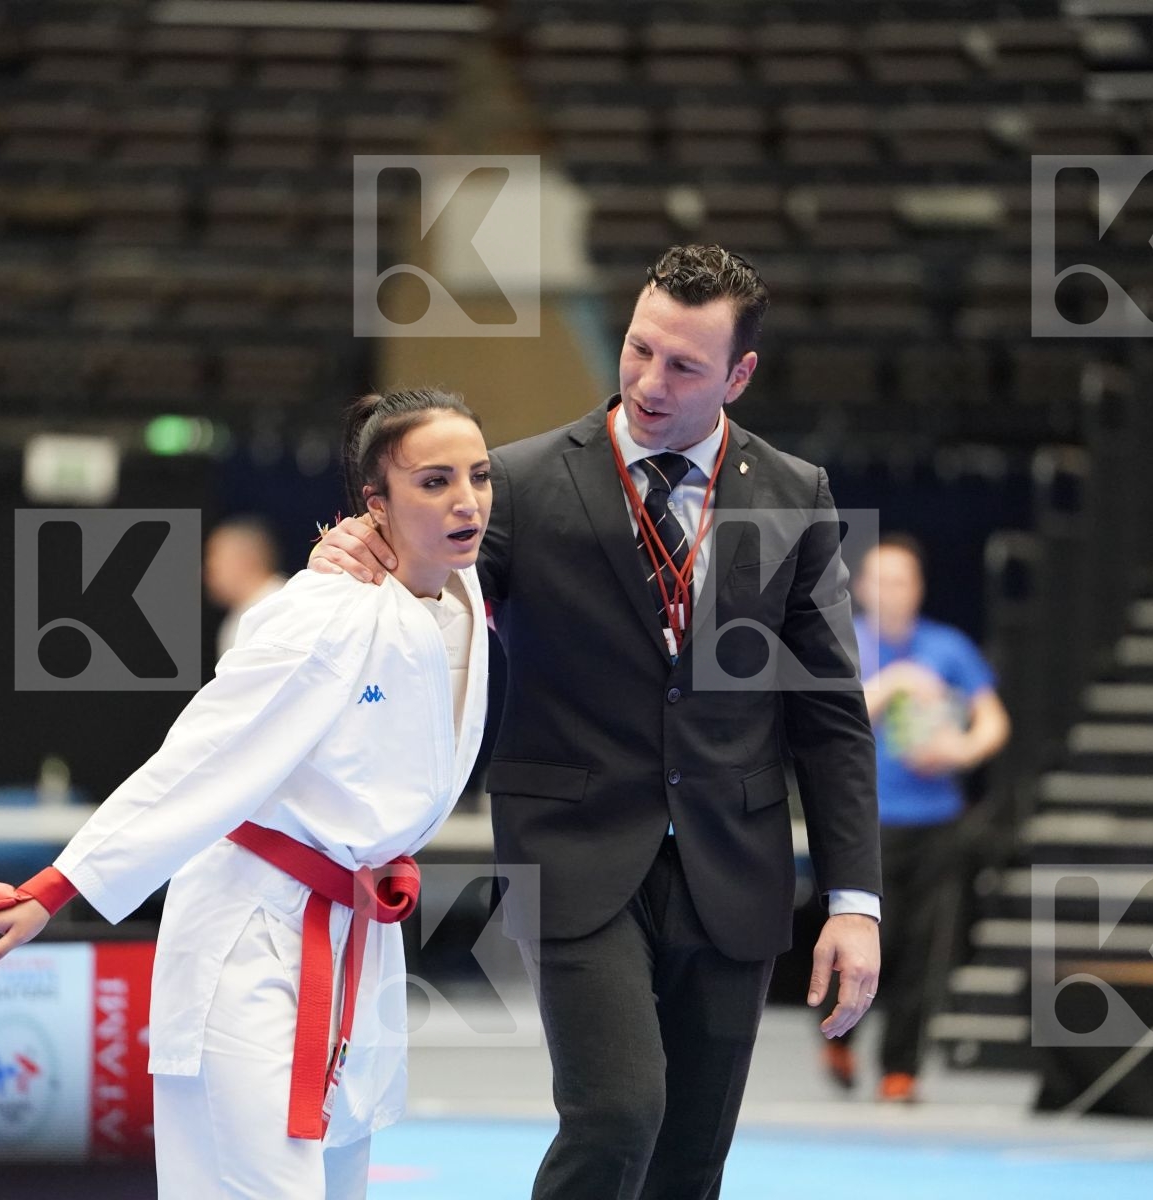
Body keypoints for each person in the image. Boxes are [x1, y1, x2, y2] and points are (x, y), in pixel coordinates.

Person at [311, 245, 883, 1199]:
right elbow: (424, 603)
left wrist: (853, 903)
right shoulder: (518, 486)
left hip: (731, 867)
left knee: (689, 1164)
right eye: (638, 350)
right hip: (571, 856)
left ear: (739, 374)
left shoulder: (794, 494)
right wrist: (367, 550)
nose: (651, 382)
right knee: (618, 1114)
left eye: (686, 366)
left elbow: (829, 715)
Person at [0, 388, 492, 1200]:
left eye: (480, 477)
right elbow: (201, 756)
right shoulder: (321, 612)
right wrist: (58, 886)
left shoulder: (465, 589)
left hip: (354, 935)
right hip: (254, 935)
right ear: (373, 505)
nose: (466, 501)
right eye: (434, 481)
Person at [822, 533, 1010, 1103]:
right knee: (864, 935)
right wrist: (896, 685)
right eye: (882, 579)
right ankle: (836, 1032)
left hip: (936, 822)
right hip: (864, 823)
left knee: (924, 949)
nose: (893, 591)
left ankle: (900, 1069)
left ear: (920, 588)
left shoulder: (948, 647)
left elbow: (992, 721)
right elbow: (832, 713)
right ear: (861, 587)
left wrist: (960, 750)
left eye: (903, 580)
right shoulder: (845, 642)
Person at [205, 515, 288, 658]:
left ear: (243, 560)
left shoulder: (284, 603)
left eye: (214, 559)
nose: (208, 570)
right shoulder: (237, 619)